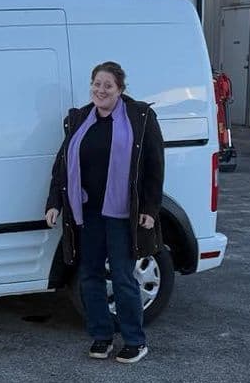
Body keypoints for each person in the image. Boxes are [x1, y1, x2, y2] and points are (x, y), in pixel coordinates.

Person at [45, 61, 164, 364]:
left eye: (108, 85)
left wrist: (150, 208)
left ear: (120, 89)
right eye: (97, 84)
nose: (101, 90)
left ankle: (135, 341)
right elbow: (62, 164)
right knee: (90, 276)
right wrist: (54, 203)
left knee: (123, 277)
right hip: (88, 212)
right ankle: (102, 336)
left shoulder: (139, 116)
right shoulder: (80, 118)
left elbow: (154, 166)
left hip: (123, 214)